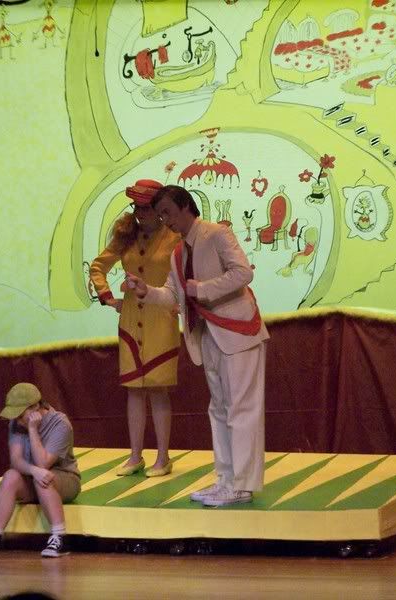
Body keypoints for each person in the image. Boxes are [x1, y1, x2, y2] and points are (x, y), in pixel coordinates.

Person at [125, 185, 269, 506]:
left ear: (186, 206)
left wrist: (202, 289)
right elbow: (173, 294)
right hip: (207, 335)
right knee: (219, 409)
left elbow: (243, 273)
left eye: (167, 212)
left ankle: (242, 485)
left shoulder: (216, 234)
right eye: (161, 215)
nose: (165, 220)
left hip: (239, 332)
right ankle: (226, 480)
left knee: (241, 410)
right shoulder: (178, 252)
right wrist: (146, 291)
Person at [90, 179, 181, 477]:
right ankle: (134, 456)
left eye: (146, 208)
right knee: (133, 390)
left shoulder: (175, 237)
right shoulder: (125, 235)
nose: (140, 214)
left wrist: (184, 302)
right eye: (136, 207)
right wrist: (108, 298)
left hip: (161, 319)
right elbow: (98, 267)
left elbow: (188, 272)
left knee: (158, 388)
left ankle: (163, 457)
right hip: (130, 320)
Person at [0, 383, 81, 558]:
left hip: (65, 479)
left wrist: (33, 430)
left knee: (43, 478)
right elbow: (16, 460)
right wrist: (33, 471)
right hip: (33, 477)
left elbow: (43, 463)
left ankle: (60, 537)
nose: (16, 420)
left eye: (19, 415)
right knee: (10, 476)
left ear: (35, 407)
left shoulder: (60, 424)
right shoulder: (16, 423)